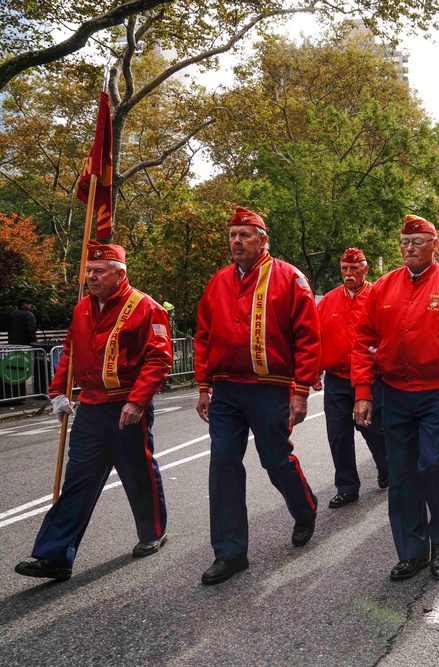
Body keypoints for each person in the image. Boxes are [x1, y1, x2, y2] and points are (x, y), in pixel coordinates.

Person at [14, 241, 171, 582]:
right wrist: (57, 392)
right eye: (88, 271)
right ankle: (55, 556)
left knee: (138, 473)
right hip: (91, 408)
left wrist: (138, 401)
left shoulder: (146, 308)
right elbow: (70, 351)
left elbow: (158, 359)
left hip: (127, 406)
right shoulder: (82, 308)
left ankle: (153, 531)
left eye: (99, 271)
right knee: (77, 482)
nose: (91, 277)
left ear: (120, 274)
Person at [352, 214, 439, 582]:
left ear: (434, 245)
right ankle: (412, 551)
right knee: (403, 473)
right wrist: (363, 392)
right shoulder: (383, 288)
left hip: (438, 393)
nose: (409, 248)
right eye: (405, 242)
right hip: (394, 393)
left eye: (418, 242)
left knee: (433, 465)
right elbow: (362, 340)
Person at [195, 206, 321, 586]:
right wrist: (204, 385)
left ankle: (304, 508)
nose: (236, 241)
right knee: (223, 465)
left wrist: (300, 392)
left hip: (270, 389)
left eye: (244, 234)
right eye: (232, 235)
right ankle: (230, 554)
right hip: (227, 390)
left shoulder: (289, 278)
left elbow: (308, 337)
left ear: (263, 240)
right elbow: (203, 336)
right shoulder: (218, 281)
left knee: (275, 460)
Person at [315, 248, 389, 510]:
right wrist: (315, 371)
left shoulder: (377, 297)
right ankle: (346, 487)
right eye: (345, 269)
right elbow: (316, 338)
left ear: (364, 270)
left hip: (369, 379)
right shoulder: (328, 302)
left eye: (354, 269)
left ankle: (386, 466)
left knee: (373, 428)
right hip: (336, 380)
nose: (348, 274)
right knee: (338, 434)